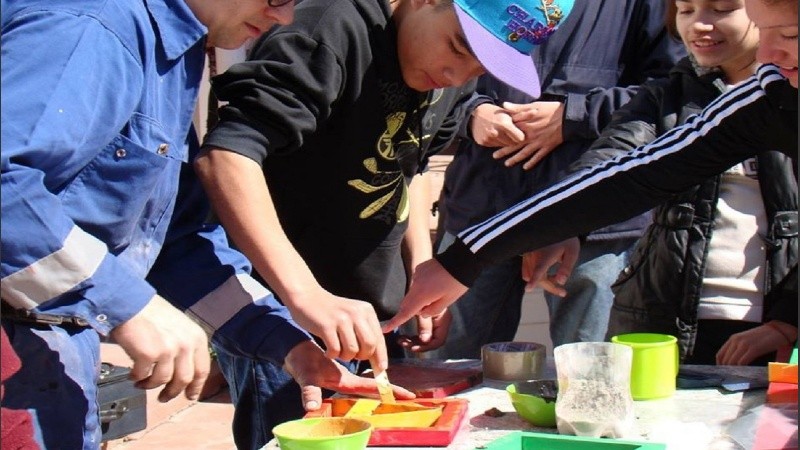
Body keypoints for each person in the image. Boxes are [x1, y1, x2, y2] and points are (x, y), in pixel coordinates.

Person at [0, 1, 413, 448]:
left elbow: (176, 244)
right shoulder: (90, 28)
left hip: (50, 372)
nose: (284, 18)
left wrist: (288, 346)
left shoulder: (174, 57)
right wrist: (127, 304)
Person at [195, 0, 575, 447]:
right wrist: (305, 295)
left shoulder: (442, 72)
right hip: (284, 319)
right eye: (457, 46)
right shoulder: (330, 29)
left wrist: (421, 269)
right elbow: (227, 156)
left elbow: (404, 168)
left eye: (480, 68)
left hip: (370, 320)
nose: (457, 76)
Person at [381, 0, 798, 342]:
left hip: (616, 244)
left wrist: (788, 317)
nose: (767, 55)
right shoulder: (766, 96)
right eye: (766, 34)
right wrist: (463, 259)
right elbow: (628, 173)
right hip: (487, 202)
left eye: (790, 37)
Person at [421, 0, 686, 359]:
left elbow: (673, 91)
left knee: (593, 373)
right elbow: (428, 57)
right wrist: (472, 113)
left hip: (596, 216)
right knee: (446, 367)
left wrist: (573, 116)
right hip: (482, 205)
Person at [585, 0, 798, 366]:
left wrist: (789, 320)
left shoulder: (783, 99)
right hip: (662, 315)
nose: (699, 25)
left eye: (721, 10)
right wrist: (567, 227)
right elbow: (607, 164)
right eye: (685, 10)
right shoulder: (664, 96)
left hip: (770, 322)